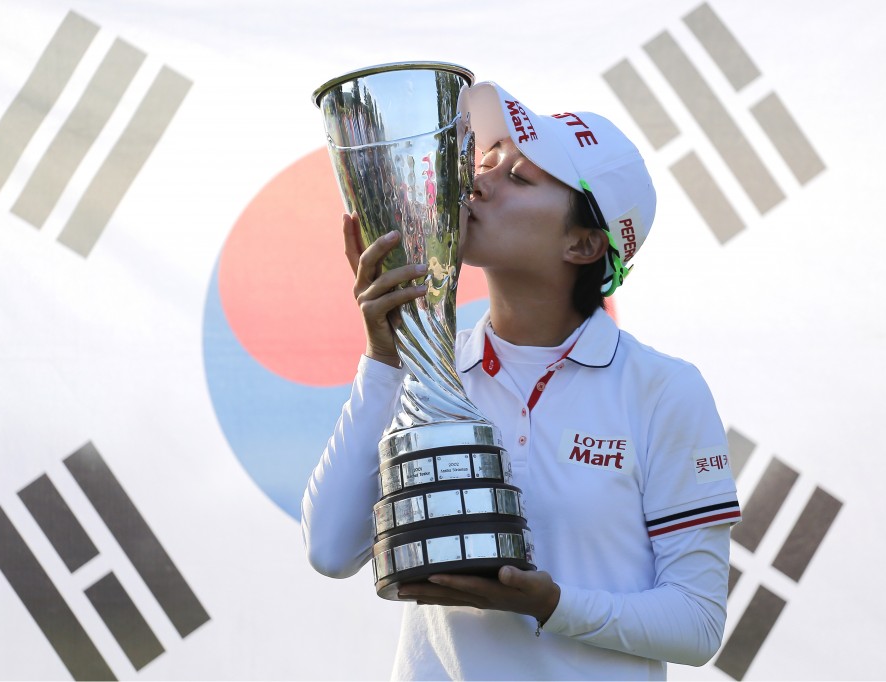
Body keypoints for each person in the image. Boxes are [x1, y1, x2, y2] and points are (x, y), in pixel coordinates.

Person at [301, 80, 742, 681]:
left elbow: (696, 623)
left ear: (584, 243)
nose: (478, 181)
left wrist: (551, 604)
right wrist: (386, 356)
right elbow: (330, 550)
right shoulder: (431, 369)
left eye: (521, 178)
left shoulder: (662, 390)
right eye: (486, 161)